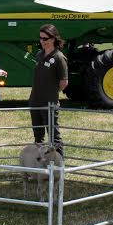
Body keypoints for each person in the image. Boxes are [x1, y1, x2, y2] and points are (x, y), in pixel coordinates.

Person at [28, 24, 68, 153]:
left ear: (53, 39)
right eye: (40, 38)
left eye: (45, 39)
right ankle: (40, 165)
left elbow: (64, 82)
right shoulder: (39, 55)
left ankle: (59, 166)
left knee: (54, 136)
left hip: (49, 102)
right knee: (38, 136)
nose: (42, 41)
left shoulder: (59, 58)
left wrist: (52, 92)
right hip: (35, 101)